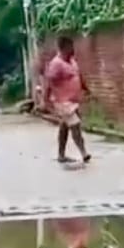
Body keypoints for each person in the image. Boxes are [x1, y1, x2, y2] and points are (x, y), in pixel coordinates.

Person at [44, 36, 92, 164]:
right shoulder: (56, 64)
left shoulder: (72, 61)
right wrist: (46, 99)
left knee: (64, 126)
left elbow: (78, 76)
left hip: (72, 101)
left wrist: (86, 88)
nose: (73, 49)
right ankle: (84, 153)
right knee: (75, 125)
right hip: (63, 102)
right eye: (71, 47)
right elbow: (49, 82)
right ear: (64, 48)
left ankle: (61, 155)